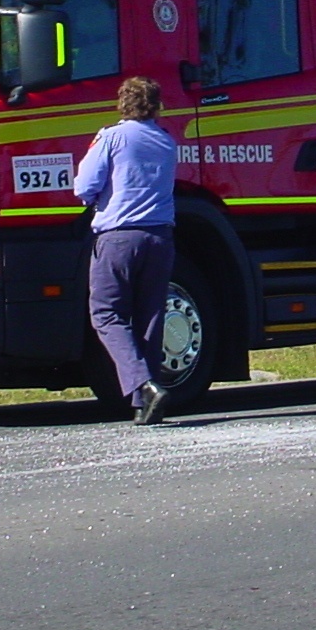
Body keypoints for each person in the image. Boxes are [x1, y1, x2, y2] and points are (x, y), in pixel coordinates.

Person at [73, 75, 178, 425]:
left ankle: (143, 385)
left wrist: (94, 199)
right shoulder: (166, 141)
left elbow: (85, 186)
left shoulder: (111, 137)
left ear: (122, 103)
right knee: (150, 316)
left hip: (118, 236)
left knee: (105, 313)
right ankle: (144, 402)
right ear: (156, 105)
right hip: (160, 236)